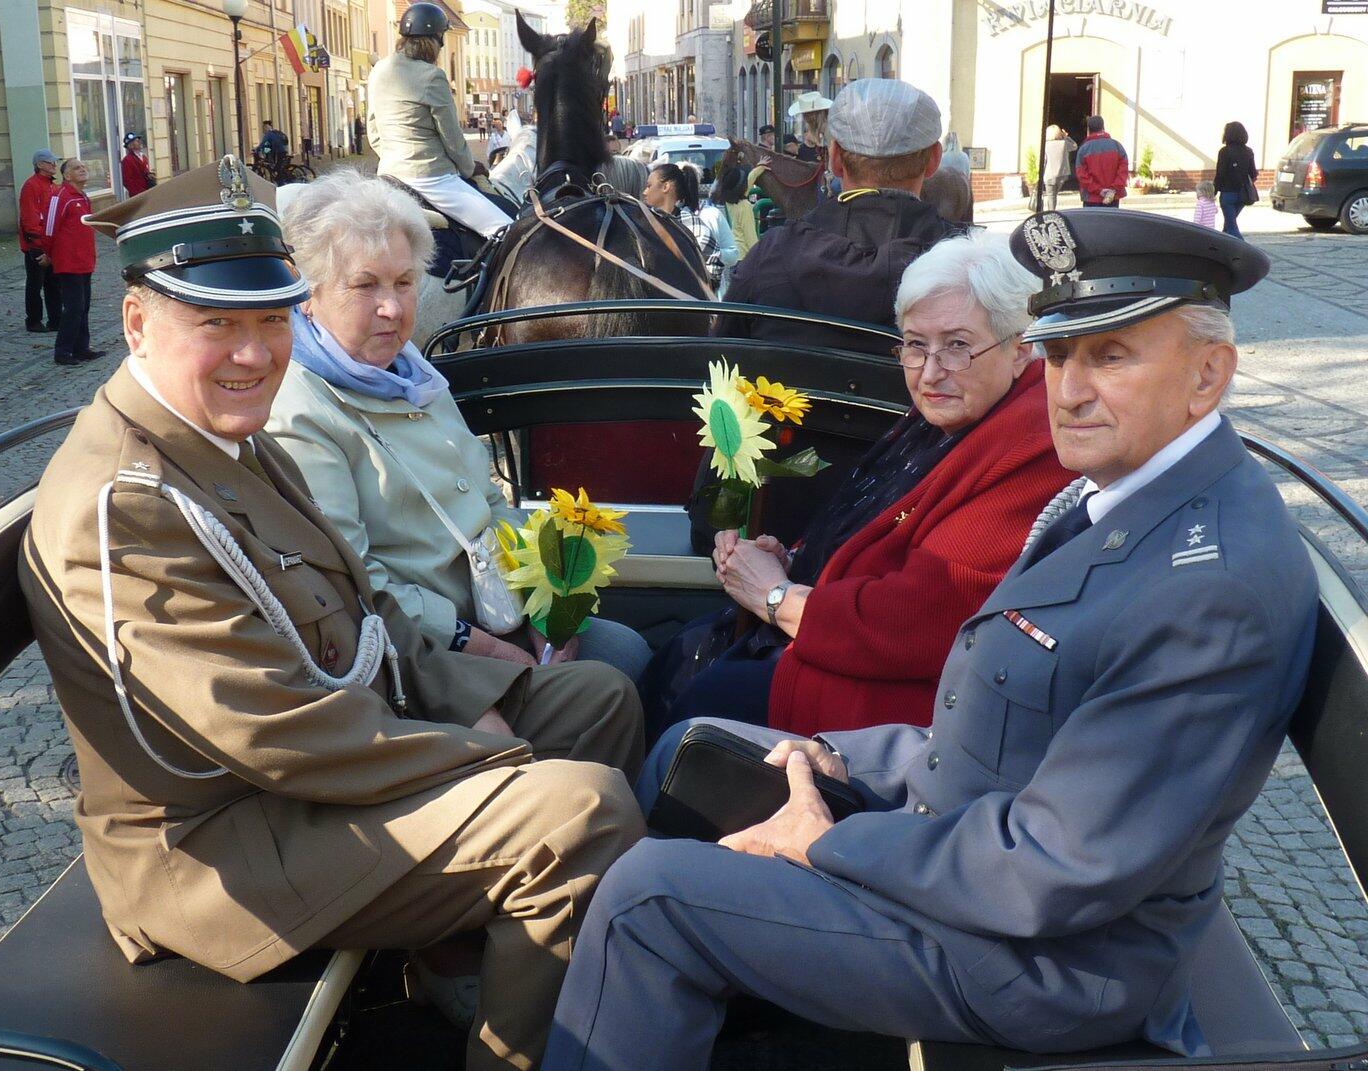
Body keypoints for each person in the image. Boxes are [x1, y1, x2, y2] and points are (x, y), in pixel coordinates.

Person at [543, 209, 1315, 1071]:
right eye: (1060, 352)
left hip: (1044, 961)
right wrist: (847, 756)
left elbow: (1056, 865)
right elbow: (1006, 727)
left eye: (1112, 356)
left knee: (649, 901)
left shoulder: (1206, 586)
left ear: (1209, 374)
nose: (1068, 390)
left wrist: (826, 840)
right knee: (694, 744)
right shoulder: (1130, 496)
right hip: (970, 863)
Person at [19, 156, 645, 1071]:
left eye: (271, 318)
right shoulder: (129, 501)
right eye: (217, 323)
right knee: (579, 813)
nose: (254, 352)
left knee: (599, 701)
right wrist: (486, 754)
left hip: (311, 775)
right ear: (137, 323)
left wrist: (466, 700)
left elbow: (356, 618)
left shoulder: (217, 438)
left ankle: (484, 963)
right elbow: (270, 730)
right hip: (224, 849)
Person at [640, 230, 1070, 740]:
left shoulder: (1033, 443)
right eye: (915, 345)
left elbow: (919, 623)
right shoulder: (951, 416)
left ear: (1020, 350)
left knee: (704, 702)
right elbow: (872, 532)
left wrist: (777, 596)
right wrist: (796, 561)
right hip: (841, 646)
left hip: (908, 707)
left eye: (958, 346)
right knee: (676, 656)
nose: (931, 372)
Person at [267, 171, 653, 682]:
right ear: (306, 293)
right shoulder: (299, 410)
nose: (392, 308)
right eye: (364, 285)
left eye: (405, 283)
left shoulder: (412, 375)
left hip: (496, 610)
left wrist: (542, 602)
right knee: (608, 682)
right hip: (422, 649)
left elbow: (489, 503)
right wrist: (484, 646)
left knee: (631, 650)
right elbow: (355, 584)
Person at [716, 78, 963, 353]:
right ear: (934, 159)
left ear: (834, 158)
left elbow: (719, 356)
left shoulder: (769, 255)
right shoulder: (971, 262)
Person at [367, 2, 512, 238]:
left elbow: (373, 130)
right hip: (431, 179)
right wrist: (469, 168)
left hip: (389, 174)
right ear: (436, 40)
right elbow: (452, 138)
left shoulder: (379, 70)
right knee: (506, 230)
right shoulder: (432, 76)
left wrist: (394, 158)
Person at [643, 162, 736, 292]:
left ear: (665, 187)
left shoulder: (692, 226)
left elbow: (713, 269)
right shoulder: (644, 221)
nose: (644, 192)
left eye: (649, 186)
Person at [44, 158, 102, 367]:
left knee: (84, 306)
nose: (82, 169)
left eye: (83, 166)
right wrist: (47, 253)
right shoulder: (61, 196)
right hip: (68, 262)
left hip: (85, 260)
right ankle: (63, 351)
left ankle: (81, 348)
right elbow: (49, 228)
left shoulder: (83, 196)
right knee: (74, 308)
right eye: (77, 168)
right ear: (67, 176)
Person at [18, 148, 61, 333]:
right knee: (35, 285)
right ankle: (34, 321)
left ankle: (55, 320)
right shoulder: (31, 186)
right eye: (51, 162)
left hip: (49, 243)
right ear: (40, 165)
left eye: (55, 162)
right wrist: (38, 245)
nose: (54, 165)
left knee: (53, 284)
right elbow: (29, 218)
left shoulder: (52, 186)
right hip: (36, 244)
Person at [1215, 121, 1259, 240]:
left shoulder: (1224, 152)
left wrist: (1213, 192)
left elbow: (1220, 174)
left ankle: (1243, 249)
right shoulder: (1248, 151)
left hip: (1228, 193)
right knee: (1228, 226)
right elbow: (1253, 173)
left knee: (1232, 228)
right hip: (1243, 195)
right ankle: (1222, 247)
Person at [1075, 114, 1128, 208]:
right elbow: (1123, 171)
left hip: (1091, 197)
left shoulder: (1084, 149)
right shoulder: (1117, 146)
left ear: (1089, 130)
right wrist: (1113, 189)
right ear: (1103, 127)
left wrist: (1098, 190)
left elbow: (1081, 175)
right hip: (1113, 197)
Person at [711, 164, 757, 260]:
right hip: (745, 257)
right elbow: (751, 237)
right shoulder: (745, 206)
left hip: (735, 255)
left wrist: (760, 168)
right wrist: (759, 256)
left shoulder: (729, 202)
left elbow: (745, 185)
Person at [1039, 123, 1076, 210]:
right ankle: (1052, 211)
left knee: (1051, 196)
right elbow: (1074, 146)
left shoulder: (1045, 145)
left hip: (1049, 175)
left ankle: (1051, 212)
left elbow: (1044, 161)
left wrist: (1040, 175)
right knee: (1054, 195)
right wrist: (1066, 137)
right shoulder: (1064, 143)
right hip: (1061, 175)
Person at [120, 132, 153, 198]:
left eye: (139, 140)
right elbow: (127, 181)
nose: (139, 142)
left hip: (148, 192)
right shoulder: (127, 160)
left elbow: (144, 172)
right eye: (136, 141)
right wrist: (139, 193)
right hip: (138, 196)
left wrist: (150, 175)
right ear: (131, 145)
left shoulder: (143, 157)